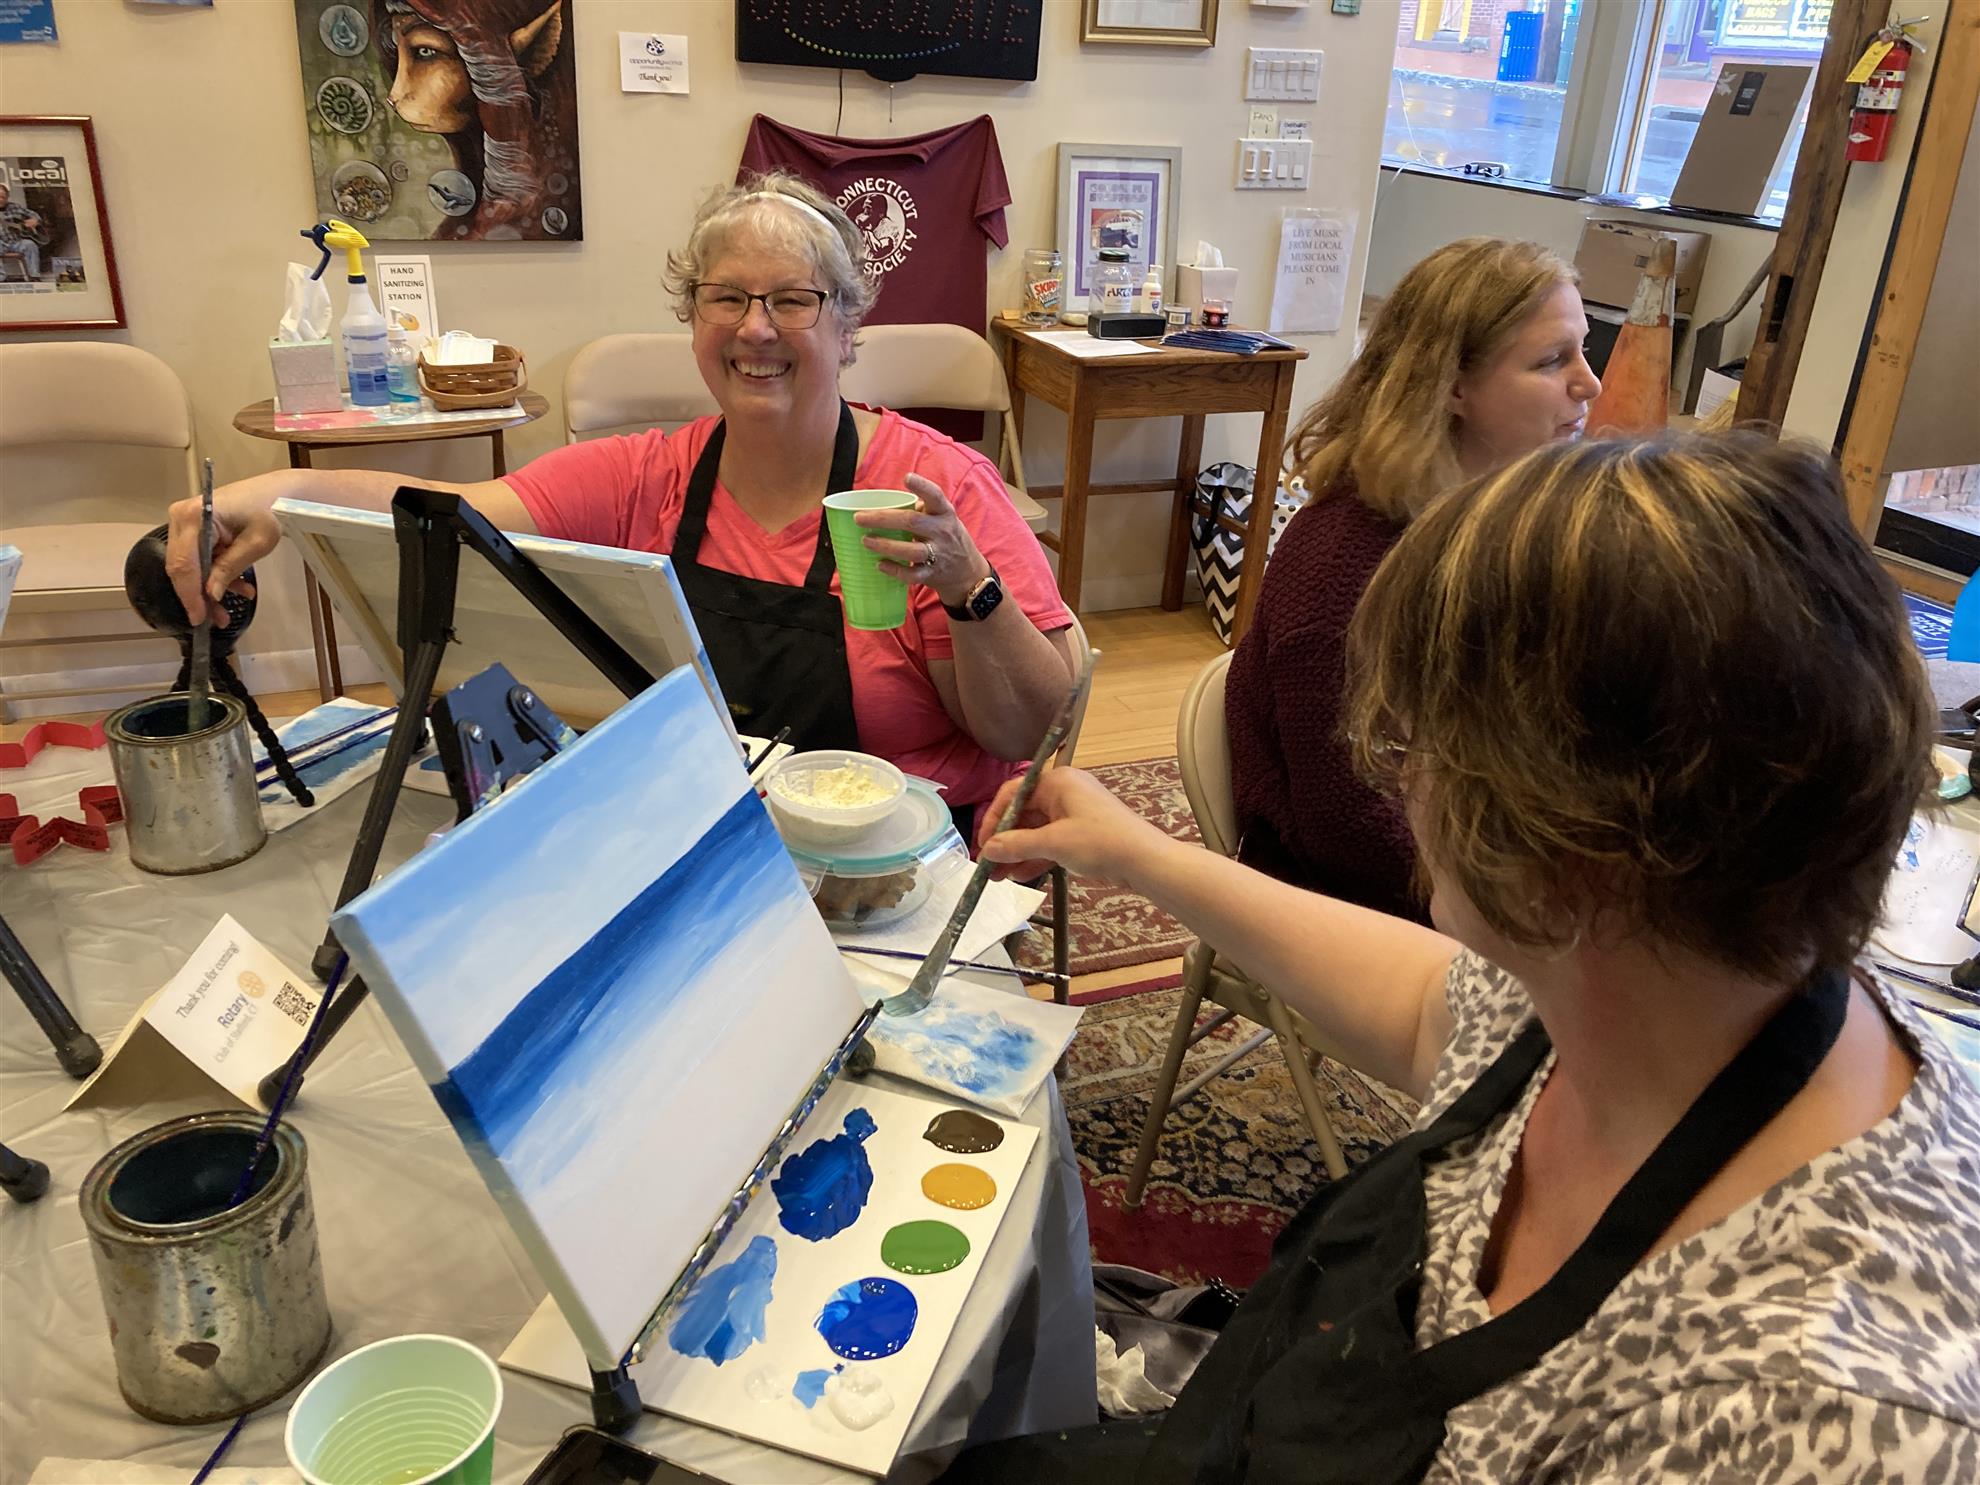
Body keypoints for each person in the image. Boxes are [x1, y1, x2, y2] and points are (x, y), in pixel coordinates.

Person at [956, 432, 1978, 1482]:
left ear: (1563, 845)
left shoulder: (1812, 1419)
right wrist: (1137, 851)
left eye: (1413, 748)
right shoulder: (1668, 970)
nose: (1403, 787)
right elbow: (1426, 1010)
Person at [166, 174, 1076, 818]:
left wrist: (971, 591)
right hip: (705, 831)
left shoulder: (933, 491)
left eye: (794, 301)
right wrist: (284, 490)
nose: (756, 328)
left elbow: (1034, 728)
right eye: (726, 298)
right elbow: (452, 511)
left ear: (847, 328)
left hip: (896, 860)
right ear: (694, 320)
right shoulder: (646, 475)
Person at [1225, 238, 1600, 920]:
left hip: (1487, 857)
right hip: (1353, 907)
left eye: (1583, 350)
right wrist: (1536, 905)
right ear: (1452, 387)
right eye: (1552, 361)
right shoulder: (1343, 574)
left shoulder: (1504, 519)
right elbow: (1350, 830)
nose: (1589, 383)